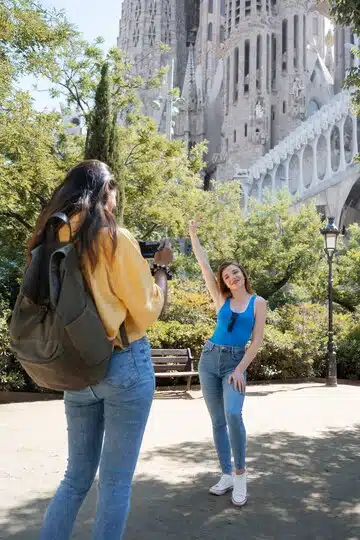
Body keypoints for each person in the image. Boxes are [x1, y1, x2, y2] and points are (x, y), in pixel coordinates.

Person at [32, 160, 172, 540]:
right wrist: (161, 270)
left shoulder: (53, 234)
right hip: (122, 365)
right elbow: (146, 310)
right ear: (104, 192)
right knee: (114, 483)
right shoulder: (113, 237)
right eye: (114, 193)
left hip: (75, 368)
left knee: (75, 478)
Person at [189, 218, 266, 507]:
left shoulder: (258, 302)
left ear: (243, 274)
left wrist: (239, 370)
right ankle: (226, 474)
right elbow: (204, 266)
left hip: (235, 362)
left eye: (235, 273)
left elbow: (256, 341)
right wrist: (193, 234)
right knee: (217, 420)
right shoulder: (220, 300)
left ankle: (241, 474)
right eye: (227, 277)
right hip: (209, 359)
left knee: (233, 413)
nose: (231, 278)